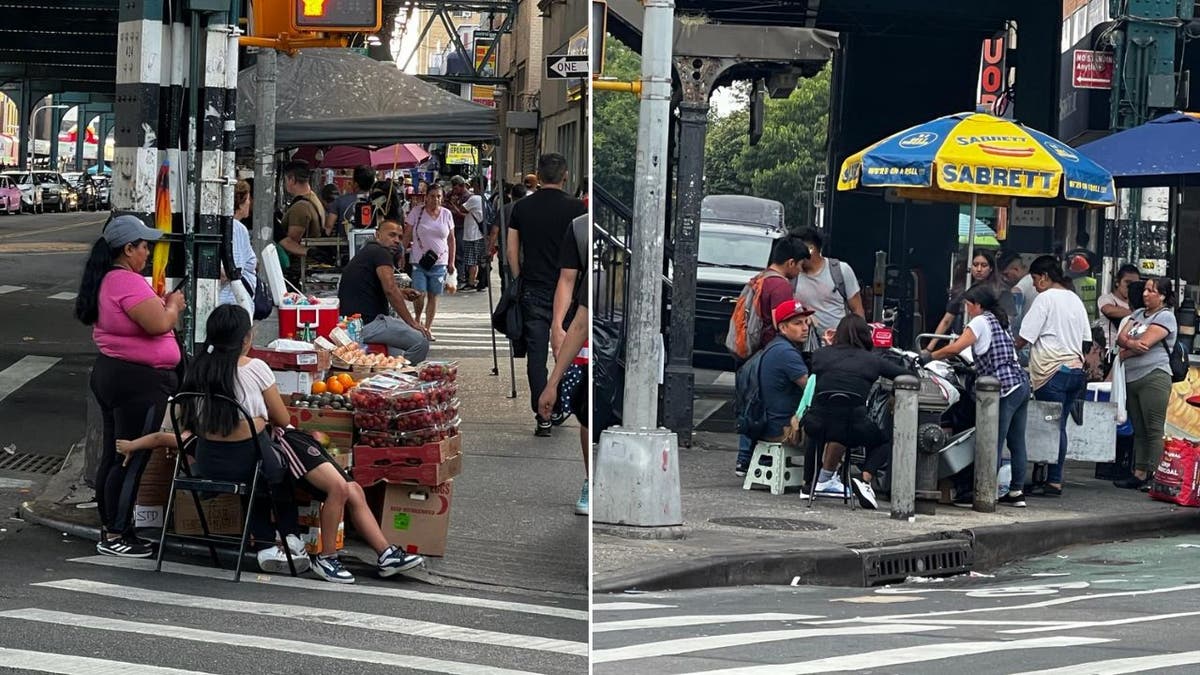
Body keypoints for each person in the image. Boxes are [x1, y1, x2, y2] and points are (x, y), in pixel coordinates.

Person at [123, 305, 425, 583]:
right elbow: (280, 419)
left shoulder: (196, 371)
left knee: (348, 487)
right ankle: (327, 556)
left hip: (209, 465)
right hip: (257, 465)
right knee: (331, 477)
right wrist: (261, 423)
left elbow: (178, 427)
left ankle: (384, 553)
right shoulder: (255, 369)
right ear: (245, 339)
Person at [75, 215, 184, 558]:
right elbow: (158, 323)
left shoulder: (108, 280)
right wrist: (173, 306)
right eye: (144, 247)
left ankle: (112, 527)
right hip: (137, 382)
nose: (148, 253)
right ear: (128, 249)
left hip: (114, 375)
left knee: (116, 452)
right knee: (131, 455)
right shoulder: (126, 281)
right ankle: (118, 532)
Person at [922, 284, 1031, 508]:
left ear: (978, 305)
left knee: (992, 441)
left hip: (1002, 388)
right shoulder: (1000, 319)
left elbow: (956, 347)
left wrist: (930, 355)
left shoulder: (979, 321)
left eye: (968, 305)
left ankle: (984, 492)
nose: (966, 309)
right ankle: (1017, 491)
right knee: (1017, 441)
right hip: (1020, 383)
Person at [508, 153, 587, 436]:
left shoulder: (521, 208)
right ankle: (561, 403)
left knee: (537, 352)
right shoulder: (578, 209)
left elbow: (511, 250)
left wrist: (519, 277)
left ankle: (542, 414)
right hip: (568, 291)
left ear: (538, 177)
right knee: (567, 348)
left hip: (534, 288)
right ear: (565, 176)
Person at [804, 314, 914, 507]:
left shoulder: (821, 355)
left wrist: (829, 346)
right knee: (885, 441)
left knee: (819, 429)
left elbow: (821, 367)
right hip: (852, 428)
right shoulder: (872, 361)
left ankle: (809, 484)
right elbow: (908, 377)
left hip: (818, 425)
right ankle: (865, 478)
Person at [733, 236, 810, 477]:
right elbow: (782, 318)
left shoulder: (760, 278)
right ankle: (749, 459)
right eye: (799, 266)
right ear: (790, 263)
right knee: (765, 400)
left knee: (753, 399)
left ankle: (745, 459)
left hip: (754, 350)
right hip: (766, 350)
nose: (799, 272)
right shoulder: (781, 286)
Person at [1015, 255, 1090, 497]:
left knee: (1048, 428)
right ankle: (1053, 479)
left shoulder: (1045, 299)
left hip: (1052, 371)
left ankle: (1051, 481)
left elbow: (1024, 336)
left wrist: (1007, 348)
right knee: (1060, 427)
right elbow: (1086, 339)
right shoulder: (1074, 299)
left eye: (1036, 279)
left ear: (1045, 277)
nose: (1035, 285)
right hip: (1075, 371)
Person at [542, 214, 591, 516]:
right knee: (587, 410)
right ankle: (591, 478)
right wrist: (558, 325)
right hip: (588, 335)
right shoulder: (580, 228)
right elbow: (567, 280)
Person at [1113, 277, 1178, 490]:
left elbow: (1146, 344)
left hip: (1154, 376)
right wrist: (1129, 345)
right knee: (1138, 429)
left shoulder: (1166, 317)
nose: (1146, 294)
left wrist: (1126, 349)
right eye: (1146, 289)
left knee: (1153, 428)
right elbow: (1121, 337)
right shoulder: (1139, 314)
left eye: (1152, 291)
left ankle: (1156, 474)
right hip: (1133, 378)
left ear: (1162, 296)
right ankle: (1139, 472)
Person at [339, 219, 430, 362]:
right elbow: (390, 290)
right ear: (377, 235)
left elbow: (379, 286)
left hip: (354, 325)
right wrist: (412, 323)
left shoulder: (369, 251)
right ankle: (401, 374)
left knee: (397, 352)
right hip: (367, 324)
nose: (396, 241)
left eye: (400, 237)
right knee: (420, 342)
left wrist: (402, 292)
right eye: (391, 235)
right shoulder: (381, 252)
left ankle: (392, 370)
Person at [792, 227, 864, 346]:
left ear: (811, 249)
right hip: (805, 347)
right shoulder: (793, 275)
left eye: (796, 249)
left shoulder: (841, 270)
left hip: (839, 346)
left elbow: (857, 310)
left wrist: (858, 342)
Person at [932, 250, 1015, 349]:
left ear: (991, 268)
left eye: (984, 265)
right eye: (975, 265)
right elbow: (947, 320)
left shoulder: (1001, 291)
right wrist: (930, 347)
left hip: (988, 344)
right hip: (960, 343)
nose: (979, 269)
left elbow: (1007, 321)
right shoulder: (961, 290)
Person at [403, 184, 456, 339]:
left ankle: (427, 328)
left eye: (439, 196)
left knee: (434, 295)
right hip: (419, 260)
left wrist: (451, 262)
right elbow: (407, 235)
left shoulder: (447, 214)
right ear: (426, 197)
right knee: (418, 294)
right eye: (432, 196)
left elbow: (451, 240)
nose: (435, 200)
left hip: (440, 262)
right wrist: (401, 253)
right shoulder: (416, 212)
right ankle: (417, 320)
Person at [276, 161, 328, 283]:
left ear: (292, 180)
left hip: (300, 269)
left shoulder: (301, 207)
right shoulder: (313, 198)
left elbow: (291, 243)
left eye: (285, 180)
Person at [219, 180, 257, 309]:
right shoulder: (237, 229)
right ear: (239, 204)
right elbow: (233, 267)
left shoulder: (232, 228)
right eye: (247, 199)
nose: (249, 203)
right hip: (233, 301)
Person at [1098, 264, 1140, 353]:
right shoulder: (1107, 299)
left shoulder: (1138, 303)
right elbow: (1108, 311)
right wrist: (1137, 313)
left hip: (1128, 350)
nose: (1130, 287)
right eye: (1127, 283)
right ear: (1117, 282)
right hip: (1108, 350)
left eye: (1134, 284)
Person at [326, 165, 376, 237]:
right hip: (370, 245)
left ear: (356, 184)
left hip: (344, 246)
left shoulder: (340, 201)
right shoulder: (376, 202)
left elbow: (329, 226)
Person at [997, 250, 1037, 334]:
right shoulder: (1037, 281)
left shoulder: (1018, 289)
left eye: (1006, 274)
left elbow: (1013, 321)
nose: (1004, 279)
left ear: (1016, 269)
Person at [459, 177, 487, 290]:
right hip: (481, 233)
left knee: (472, 261)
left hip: (472, 234)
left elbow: (462, 209)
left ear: (477, 185)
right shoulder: (486, 198)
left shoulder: (474, 198)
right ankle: (481, 281)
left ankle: (471, 282)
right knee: (479, 259)